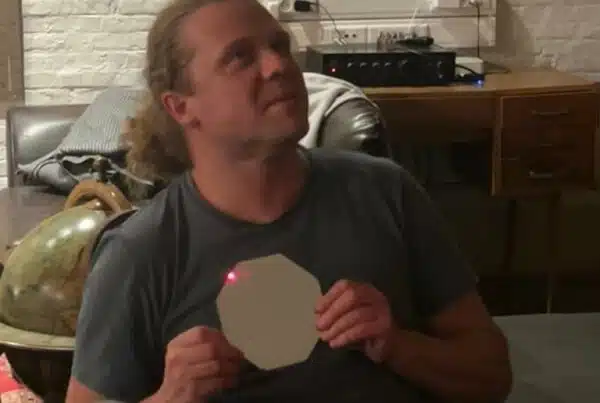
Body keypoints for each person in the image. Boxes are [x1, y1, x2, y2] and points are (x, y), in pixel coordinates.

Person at [66, 0, 512, 402]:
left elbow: (493, 376)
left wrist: (398, 345)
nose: (278, 65)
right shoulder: (138, 253)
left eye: (280, 46)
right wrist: (170, 397)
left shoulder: (386, 192)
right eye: (239, 57)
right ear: (181, 107)